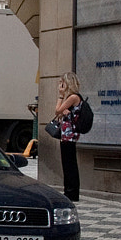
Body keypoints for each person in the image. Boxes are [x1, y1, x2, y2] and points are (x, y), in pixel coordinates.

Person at [53, 70, 83, 202]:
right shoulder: (71, 98)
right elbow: (60, 113)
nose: (60, 85)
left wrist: (60, 96)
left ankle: (71, 192)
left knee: (69, 163)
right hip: (67, 135)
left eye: (62, 82)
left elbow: (57, 110)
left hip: (69, 135)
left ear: (67, 83)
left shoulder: (73, 97)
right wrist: (62, 111)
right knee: (67, 163)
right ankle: (69, 190)